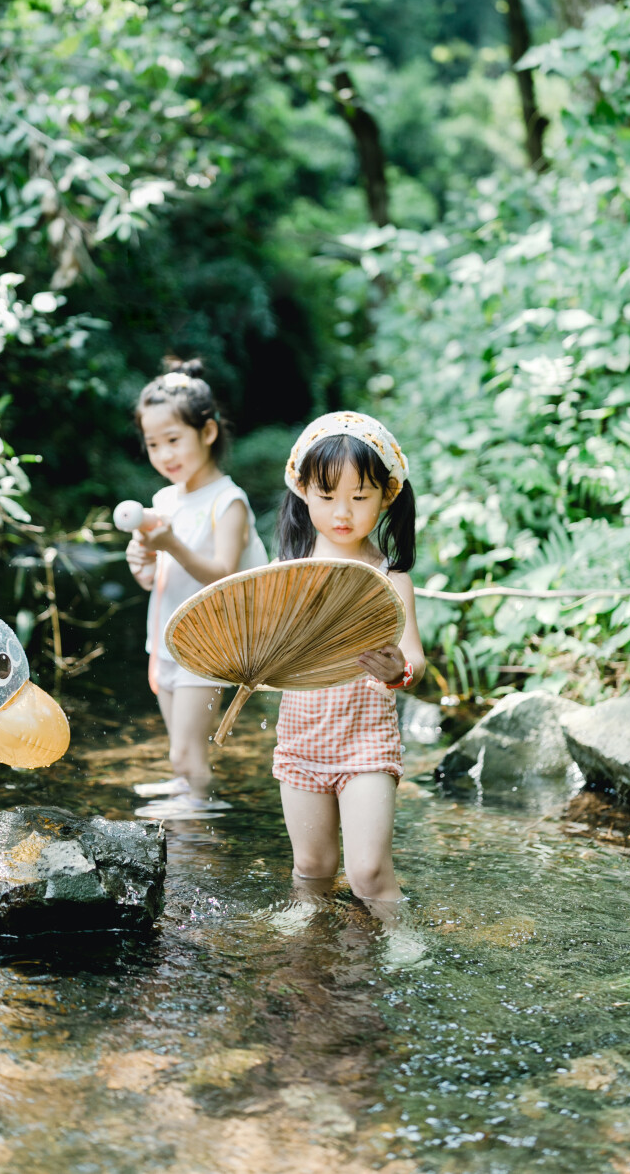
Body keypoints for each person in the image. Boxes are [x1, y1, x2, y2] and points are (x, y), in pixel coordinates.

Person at [272, 410, 425, 905]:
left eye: (359, 498)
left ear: (388, 496)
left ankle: (400, 935)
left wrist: (397, 671)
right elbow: (262, 652)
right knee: (312, 866)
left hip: (367, 745)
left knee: (369, 870)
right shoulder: (283, 575)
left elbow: (415, 663)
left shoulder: (389, 579)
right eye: (327, 495)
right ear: (302, 490)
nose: (343, 512)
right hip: (301, 742)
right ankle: (309, 942)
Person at [125, 359, 266, 817]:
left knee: (188, 753)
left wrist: (171, 543)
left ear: (207, 433)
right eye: (153, 444)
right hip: (167, 637)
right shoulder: (164, 500)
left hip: (208, 643)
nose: (164, 454)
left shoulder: (229, 502)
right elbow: (157, 577)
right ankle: (188, 793)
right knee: (178, 749)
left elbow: (225, 572)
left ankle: (199, 831)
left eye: (173, 440)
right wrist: (143, 563)